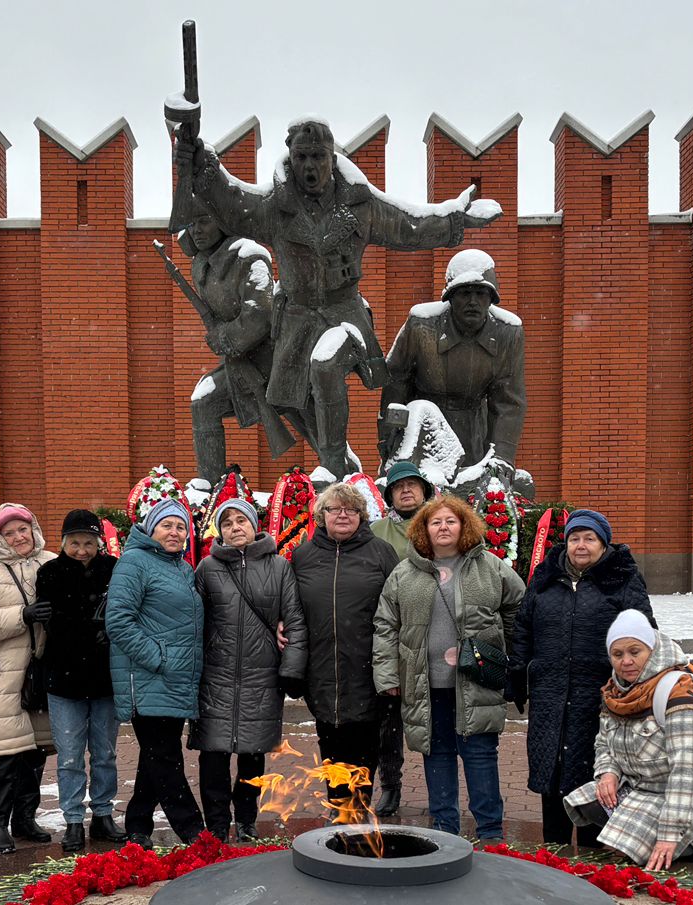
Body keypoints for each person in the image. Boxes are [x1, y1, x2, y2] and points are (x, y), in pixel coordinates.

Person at [177, 118, 499, 479]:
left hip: (345, 316)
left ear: (332, 158)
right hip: (296, 322)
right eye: (301, 157)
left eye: (318, 156)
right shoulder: (275, 207)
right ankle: (343, 467)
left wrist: (455, 220)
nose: (310, 166)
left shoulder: (359, 203)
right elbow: (234, 203)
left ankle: (331, 469)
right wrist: (201, 162)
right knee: (304, 407)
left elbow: (407, 225)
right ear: (292, 159)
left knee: (326, 362)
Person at [374, 494, 525, 841]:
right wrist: (388, 675)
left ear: (464, 525)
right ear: (423, 529)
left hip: (477, 682)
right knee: (437, 754)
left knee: (480, 755)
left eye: (451, 521)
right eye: (435, 522)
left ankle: (490, 832)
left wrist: (507, 655)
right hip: (425, 685)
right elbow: (386, 625)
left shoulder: (490, 567)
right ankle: (445, 832)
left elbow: (518, 609)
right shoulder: (404, 573)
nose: (443, 527)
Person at [508, 509, 655, 845]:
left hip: (599, 697)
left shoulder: (622, 579)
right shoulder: (546, 578)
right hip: (549, 694)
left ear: (604, 544)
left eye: (590, 538)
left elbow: (644, 635)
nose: (581, 545)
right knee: (552, 773)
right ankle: (553, 852)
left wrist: (635, 684)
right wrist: (520, 672)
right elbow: (523, 628)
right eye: (575, 538)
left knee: (595, 775)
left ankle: (594, 854)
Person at [566, 610, 693, 872]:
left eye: (635, 651)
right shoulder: (616, 692)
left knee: (655, 842)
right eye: (617, 654)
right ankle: (677, 851)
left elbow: (687, 770)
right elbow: (603, 742)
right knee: (593, 800)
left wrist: (669, 834)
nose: (626, 661)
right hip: (650, 787)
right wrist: (608, 773)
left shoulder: (680, 692)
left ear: (651, 650)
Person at [191, 499, 308, 840]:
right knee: (213, 754)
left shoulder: (279, 567)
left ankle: (245, 819)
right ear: (220, 531)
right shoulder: (207, 568)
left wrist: (291, 669)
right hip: (216, 675)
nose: (235, 528)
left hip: (261, 674)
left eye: (240, 520)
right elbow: (192, 620)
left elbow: (294, 619)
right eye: (227, 523)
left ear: (254, 525)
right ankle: (216, 824)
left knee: (252, 755)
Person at [290, 482, 399, 813]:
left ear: (361, 515)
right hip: (321, 667)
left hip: (367, 666)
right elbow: (289, 606)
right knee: (330, 740)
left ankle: (359, 810)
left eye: (351, 509)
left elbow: (398, 607)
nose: (342, 515)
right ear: (321, 515)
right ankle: (339, 809)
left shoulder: (381, 553)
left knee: (365, 741)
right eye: (334, 509)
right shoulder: (303, 556)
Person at [105, 498, 207, 849]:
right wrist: (159, 659)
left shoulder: (180, 567)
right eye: (167, 525)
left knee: (156, 756)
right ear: (151, 529)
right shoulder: (135, 562)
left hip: (174, 680)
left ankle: (137, 825)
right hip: (148, 678)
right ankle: (194, 832)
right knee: (165, 757)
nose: (174, 532)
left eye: (180, 527)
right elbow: (118, 620)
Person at [379, 249, 526, 481]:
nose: (473, 302)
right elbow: (396, 381)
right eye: (464, 293)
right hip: (422, 423)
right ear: (450, 297)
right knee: (416, 488)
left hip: (473, 427)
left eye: (481, 293)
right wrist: (389, 436)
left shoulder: (507, 332)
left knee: (471, 490)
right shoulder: (422, 325)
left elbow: (508, 401)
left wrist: (502, 456)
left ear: (491, 298)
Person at [0, 504, 57, 855]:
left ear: (33, 529)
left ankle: (25, 819)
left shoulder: (51, 562)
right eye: (9, 532)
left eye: (23, 529)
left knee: (35, 752)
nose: (18, 537)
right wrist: (22, 614)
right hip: (0, 676)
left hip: (40, 674)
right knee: (3, 755)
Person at [35, 509, 124, 852]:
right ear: (63, 543)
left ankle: (103, 813)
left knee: (105, 753)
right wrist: (86, 630)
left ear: (99, 542)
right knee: (70, 755)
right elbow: (52, 621)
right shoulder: (50, 572)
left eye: (89, 543)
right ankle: (73, 819)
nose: (82, 550)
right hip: (64, 677)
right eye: (75, 543)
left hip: (104, 678)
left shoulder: (112, 569)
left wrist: (107, 633)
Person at [178, 214, 283, 488]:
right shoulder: (201, 265)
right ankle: (210, 490)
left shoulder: (250, 257)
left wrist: (223, 337)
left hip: (276, 361)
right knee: (203, 402)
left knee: (319, 434)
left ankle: (345, 474)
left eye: (203, 221)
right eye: (191, 224)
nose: (196, 230)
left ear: (222, 220)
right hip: (242, 360)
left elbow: (260, 313)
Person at [368, 461, 435, 815]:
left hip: (435, 635)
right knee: (388, 720)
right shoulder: (376, 531)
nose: (406, 490)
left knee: (436, 720)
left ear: (424, 490)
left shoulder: (440, 523)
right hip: (391, 634)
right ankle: (390, 785)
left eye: (412, 484)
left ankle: (440, 792)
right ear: (390, 495)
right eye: (398, 486)